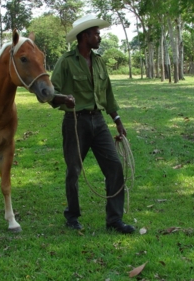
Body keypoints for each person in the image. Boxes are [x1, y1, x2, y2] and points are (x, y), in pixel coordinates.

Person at [49, 15, 135, 234]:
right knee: (74, 171)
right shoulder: (67, 61)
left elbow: (107, 93)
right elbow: (50, 91)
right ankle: (73, 216)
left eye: (98, 33)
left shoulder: (98, 61)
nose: (99, 36)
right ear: (84, 36)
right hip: (75, 122)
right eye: (96, 33)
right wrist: (63, 99)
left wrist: (117, 120)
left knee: (115, 167)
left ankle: (114, 220)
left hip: (98, 120)